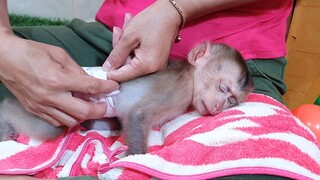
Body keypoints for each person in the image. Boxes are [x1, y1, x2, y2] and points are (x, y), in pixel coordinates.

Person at [0, 0, 294, 179]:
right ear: (198, 56)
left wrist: (175, 9)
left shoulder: (201, 84)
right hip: (115, 40)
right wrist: (4, 44)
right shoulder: (184, 86)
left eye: (231, 101)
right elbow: (139, 115)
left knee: (261, 167)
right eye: (221, 89)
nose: (219, 105)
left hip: (250, 52)